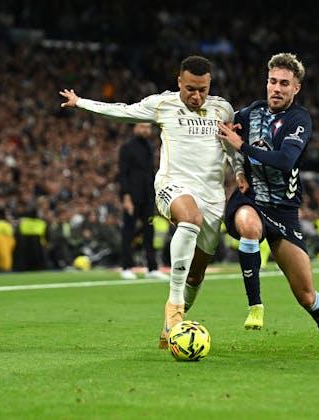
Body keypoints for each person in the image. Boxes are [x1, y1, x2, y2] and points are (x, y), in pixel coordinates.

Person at [59, 55, 245, 348]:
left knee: (196, 274)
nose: (196, 96)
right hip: (174, 185)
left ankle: (169, 329)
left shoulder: (223, 109)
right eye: (190, 89)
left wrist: (240, 173)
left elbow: (230, 147)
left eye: (203, 90)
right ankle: (174, 306)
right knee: (190, 219)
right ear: (179, 82)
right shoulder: (162, 104)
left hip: (212, 195)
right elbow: (122, 111)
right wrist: (81, 102)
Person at [213, 52, 319, 355]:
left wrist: (242, 146)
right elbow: (223, 131)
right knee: (249, 226)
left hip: (284, 210)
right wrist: (237, 163)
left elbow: (286, 160)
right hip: (250, 199)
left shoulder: (299, 120)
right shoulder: (250, 113)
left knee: (306, 295)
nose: (276, 88)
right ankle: (255, 305)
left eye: (284, 83)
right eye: (272, 81)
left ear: (296, 88)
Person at [118, 122, 167, 280]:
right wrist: (126, 197)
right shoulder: (127, 147)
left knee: (149, 231)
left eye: (147, 127)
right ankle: (126, 267)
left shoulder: (149, 146)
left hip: (147, 196)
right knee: (128, 231)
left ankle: (152, 268)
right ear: (135, 128)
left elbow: (150, 173)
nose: (145, 130)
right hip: (133, 196)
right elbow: (123, 173)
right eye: (142, 127)